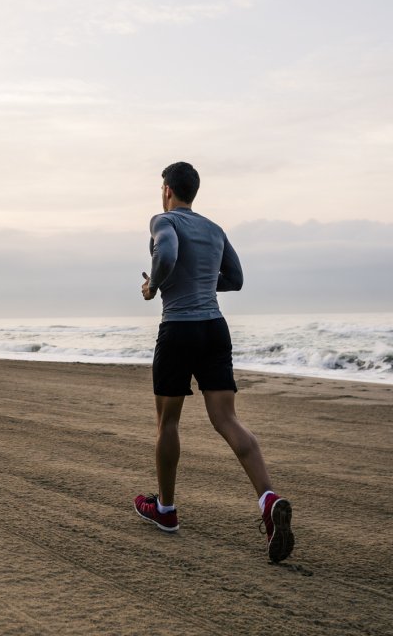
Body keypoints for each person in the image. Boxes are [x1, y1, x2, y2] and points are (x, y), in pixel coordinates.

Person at [134, 161, 295, 563]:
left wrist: (155, 284)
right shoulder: (214, 229)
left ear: (167, 189)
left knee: (167, 422)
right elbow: (235, 277)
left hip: (180, 330)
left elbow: (167, 253)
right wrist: (203, 281)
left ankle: (166, 511)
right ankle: (267, 499)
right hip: (215, 329)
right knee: (227, 420)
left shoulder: (163, 219)